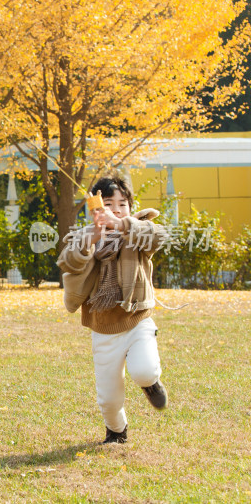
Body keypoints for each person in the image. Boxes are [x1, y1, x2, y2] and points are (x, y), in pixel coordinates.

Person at [57, 176, 169, 444]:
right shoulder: (85, 235)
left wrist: (121, 225)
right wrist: (91, 240)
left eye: (122, 203)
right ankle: (117, 431)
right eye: (109, 203)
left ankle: (151, 383)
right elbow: (68, 262)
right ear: (96, 208)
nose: (116, 209)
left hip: (137, 318)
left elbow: (159, 238)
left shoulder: (138, 228)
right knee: (108, 398)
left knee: (144, 370)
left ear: (131, 206)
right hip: (103, 327)